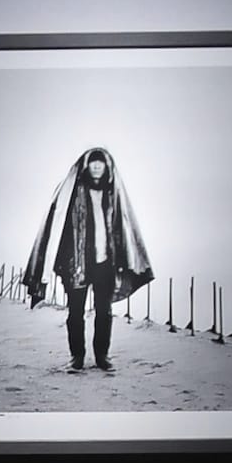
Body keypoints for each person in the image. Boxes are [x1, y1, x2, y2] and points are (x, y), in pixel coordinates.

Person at [22, 145, 152, 372]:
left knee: (104, 312)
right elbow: (57, 227)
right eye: (93, 162)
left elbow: (122, 229)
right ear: (86, 166)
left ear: (106, 166)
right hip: (77, 265)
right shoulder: (71, 193)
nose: (97, 166)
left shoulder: (112, 194)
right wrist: (61, 263)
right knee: (76, 313)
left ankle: (102, 356)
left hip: (105, 264)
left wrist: (122, 261)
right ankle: (77, 357)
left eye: (101, 163)